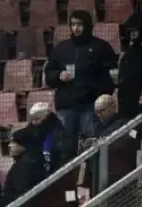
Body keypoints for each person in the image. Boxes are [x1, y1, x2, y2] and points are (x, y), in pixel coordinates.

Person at [44, 9, 117, 140]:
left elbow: (111, 76)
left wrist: (96, 94)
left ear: (87, 25)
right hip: (66, 106)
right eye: (73, 24)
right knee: (65, 146)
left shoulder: (101, 47)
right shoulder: (61, 48)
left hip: (91, 106)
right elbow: (49, 74)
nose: (76, 28)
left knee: (92, 145)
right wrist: (58, 76)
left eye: (79, 24)